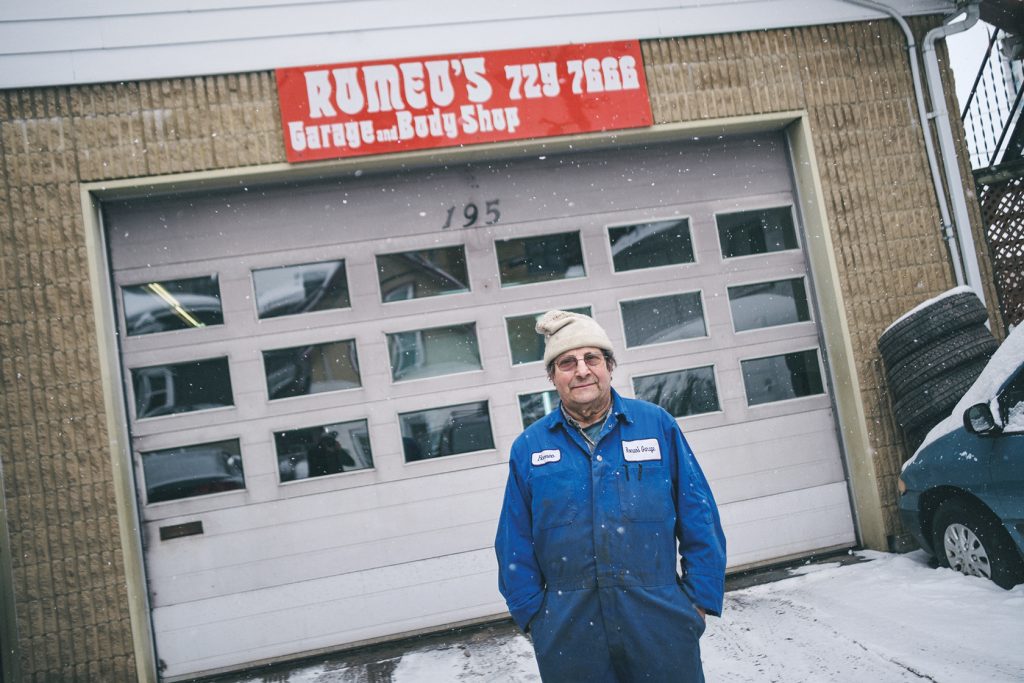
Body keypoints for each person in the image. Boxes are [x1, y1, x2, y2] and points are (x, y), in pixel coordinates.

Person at [494, 310, 726, 682]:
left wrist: (698, 599)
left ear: (610, 367)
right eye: (567, 363)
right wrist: (535, 616)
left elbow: (699, 516)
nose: (582, 370)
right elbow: (513, 542)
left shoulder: (655, 426)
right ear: (552, 377)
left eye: (592, 359)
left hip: (659, 620)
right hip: (569, 631)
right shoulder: (530, 448)